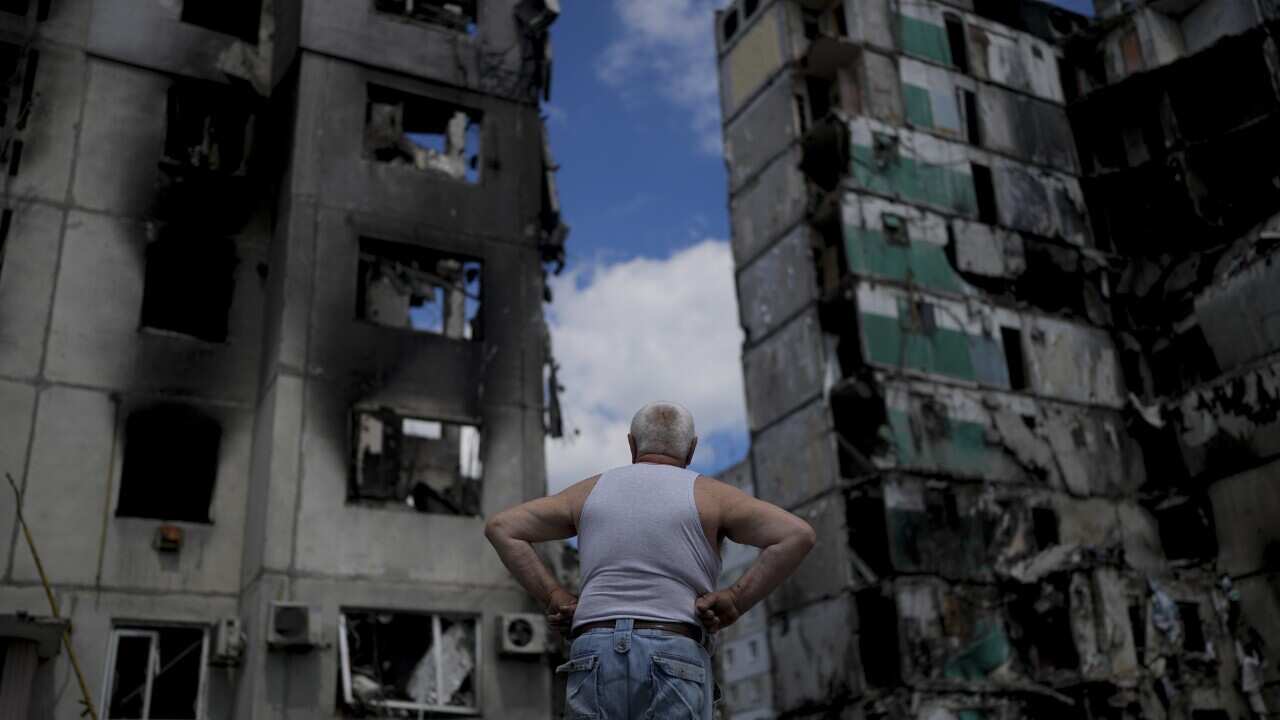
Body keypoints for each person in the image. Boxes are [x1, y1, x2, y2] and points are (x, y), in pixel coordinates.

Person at [485, 401, 816, 719]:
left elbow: (503, 528)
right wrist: (735, 599)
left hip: (594, 649)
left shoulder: (587, 492)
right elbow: (796, 535)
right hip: (675, 648)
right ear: (692, 448)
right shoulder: (712, 496)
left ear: (632, 445)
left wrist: (555, 597)